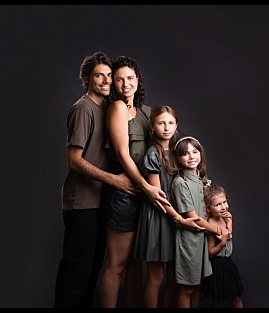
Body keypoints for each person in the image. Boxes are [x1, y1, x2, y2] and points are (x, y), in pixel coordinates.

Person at [57, 51, 134, 308]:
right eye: (99, 75)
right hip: (82, 204)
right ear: (87, 78)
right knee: (76, 275)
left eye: (109, 75)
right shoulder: (83, 109)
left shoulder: (106, 109)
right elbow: (74, 160)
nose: (106, 80)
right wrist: (115, 180)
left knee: (91, 272)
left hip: (99, 203)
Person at [100, 54, 171, 308]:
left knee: (136, 262)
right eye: (119, 80)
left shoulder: (145, 112)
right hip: (126, 191)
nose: (125, 84)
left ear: (138, 80)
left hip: (145, 190)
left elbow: (163, 144)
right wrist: (145, 187)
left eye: (130, 78)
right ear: (114, 84)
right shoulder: (117, 108)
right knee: (116, 265)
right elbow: (121, 153)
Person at [134, 105, 205, 307]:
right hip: (160, 217)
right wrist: (180, 219)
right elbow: (158, 197)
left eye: (171, 123)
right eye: (161, 123)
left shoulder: (180, 151)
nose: (166, 127)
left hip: (180, 216)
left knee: (176, 277)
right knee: (156, 277)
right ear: (152, 126)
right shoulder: (153, 154)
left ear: (176, 125)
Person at [170, 136, 226, 308]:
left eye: (195, 152)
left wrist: (226, 222)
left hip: (203, 241)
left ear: (201, 154)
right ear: (178, 159)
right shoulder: (181, 182)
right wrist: (218, 231)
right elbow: (194, 218)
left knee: (198, 286)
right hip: (189, 241)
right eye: (185, 154)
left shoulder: (202, 180)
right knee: (187, 288)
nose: (191, 156)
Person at [201, 184, 245, 308]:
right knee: (223, 299)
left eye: (224, 202)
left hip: (228, 263)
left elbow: (229, 216)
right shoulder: (211, 225)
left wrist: (230, 222)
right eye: (218, 205)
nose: (223, 207)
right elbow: (210, 252)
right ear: (208, 209)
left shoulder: (225, 217)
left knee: (227, 298)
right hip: (218, 266)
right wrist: (222, 243)